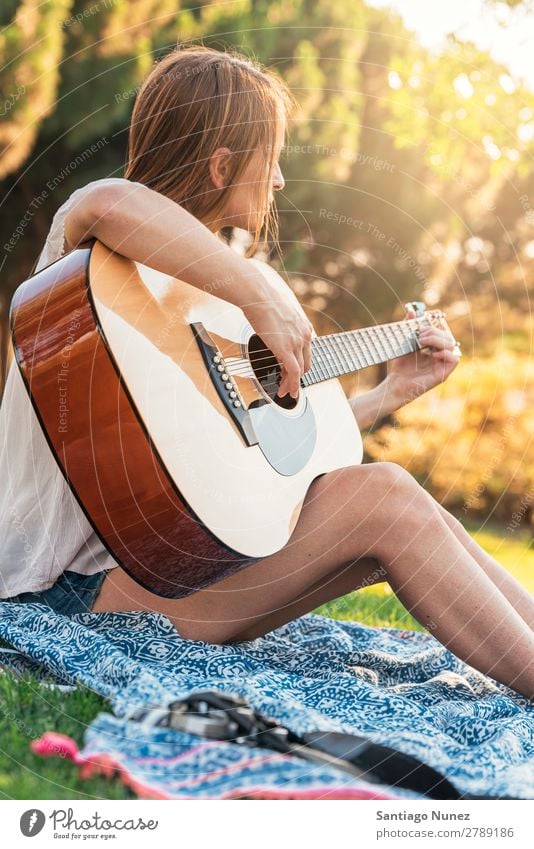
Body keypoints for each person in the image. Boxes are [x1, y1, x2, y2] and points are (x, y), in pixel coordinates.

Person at [1, 45, 533, 700]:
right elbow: (110, 199)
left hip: (168, 572)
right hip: (72, 601)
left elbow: (265, 451)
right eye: (271, 158)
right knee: (387, 495)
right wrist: (259, 294)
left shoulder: (208, 299)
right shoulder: (91, 258)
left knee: (405, 509)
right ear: (224, 164)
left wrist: (392, 391)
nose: (280, 180)